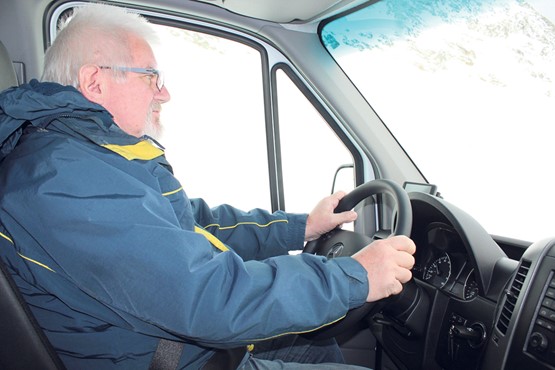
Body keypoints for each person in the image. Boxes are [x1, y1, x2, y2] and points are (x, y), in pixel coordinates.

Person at [0, 3, 416, 370]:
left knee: (319, 343)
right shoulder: (63, 180)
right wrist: (356, 276)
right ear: (95, 82)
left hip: (179, 340)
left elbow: (197, 226)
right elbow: (207, 297)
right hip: (171, 356)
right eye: (151, 76)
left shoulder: (94, 157)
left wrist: (301, 226)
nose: (164, 92)